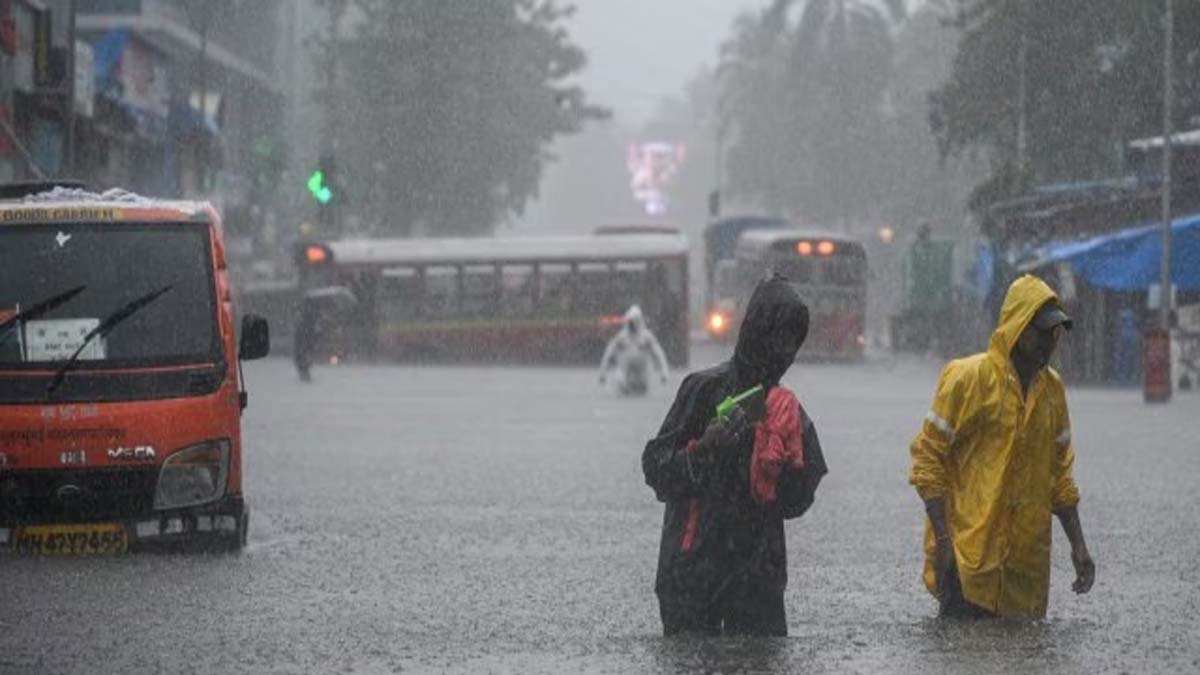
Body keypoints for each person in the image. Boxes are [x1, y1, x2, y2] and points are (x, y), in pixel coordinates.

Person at [643, 274, 827, 636]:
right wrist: (704, 448)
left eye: (794, 341)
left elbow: (796, 503)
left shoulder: (789, 412)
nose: (786, 352)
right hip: (693, 578)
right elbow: (656, 469)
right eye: (779, 337)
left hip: (757, 585)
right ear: (757, 331)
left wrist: (783, 465)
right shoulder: (702, 389)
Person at [909, 274, 1095, 619]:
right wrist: (944, 544)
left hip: (1025, 575)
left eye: (1055, 332)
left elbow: (1059, 475)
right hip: (969, 564)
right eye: (1042, 331)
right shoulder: (968, 378)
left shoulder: (1052, 392)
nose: (1050, 341)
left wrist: (1079, 547)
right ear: (1017, 326)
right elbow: (927, 460)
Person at [599, 305, 670, 395]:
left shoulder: (647, 337)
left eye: (634, 322)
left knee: (641, 390)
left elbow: (659, 355)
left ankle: (637, 384)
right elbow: (608, 354)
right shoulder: (621, 337)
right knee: (620, 379)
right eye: (630, 322)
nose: (632, 325)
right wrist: (603, 373)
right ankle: (624, 384)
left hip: (642, 374)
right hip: (625, 373)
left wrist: (664, 373)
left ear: (639, 321)